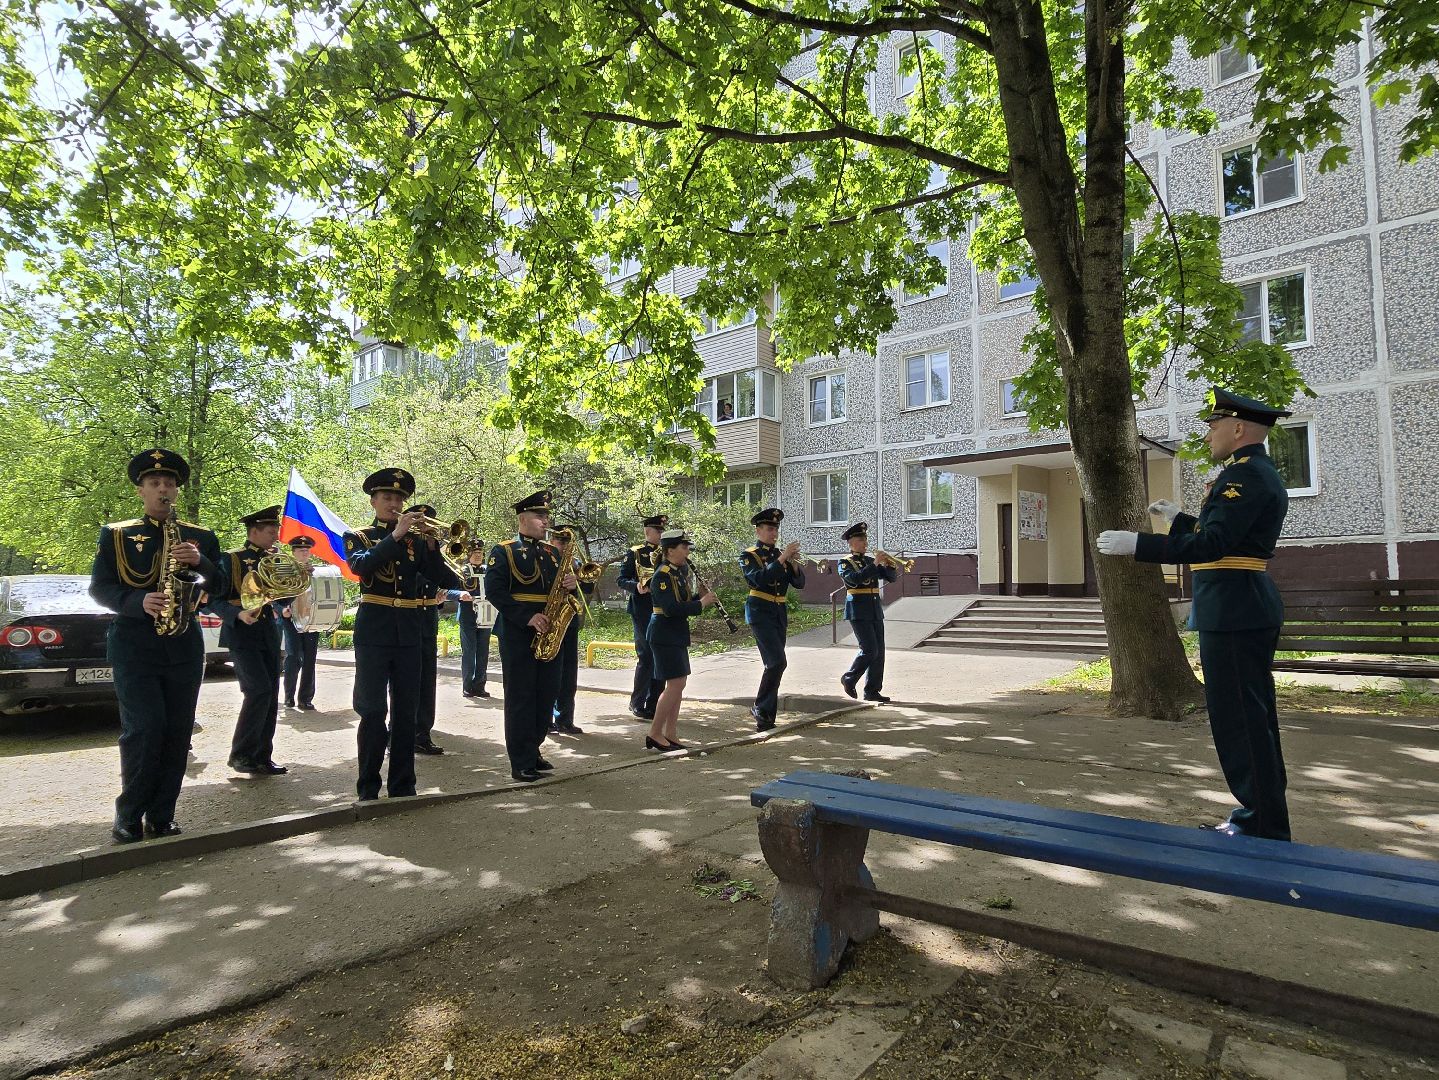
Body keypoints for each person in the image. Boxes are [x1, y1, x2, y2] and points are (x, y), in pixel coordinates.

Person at [1097, 388, 1293, 841]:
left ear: (1238, 428)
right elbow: (1222, 533)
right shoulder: (1249, 473)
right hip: (1238, 606)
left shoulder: (1245, 476)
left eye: (1214, 426)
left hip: (1234, 610)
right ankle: (1261, 817)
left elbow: (1214, 545)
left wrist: (1140, 544)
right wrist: (1181, 519)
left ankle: (1260, 825)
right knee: (1248, 719)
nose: (1208, 435)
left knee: (1241, 721)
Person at [90, 448, 225, 844]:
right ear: (141, 490)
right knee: (144, 729)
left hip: (183, 644)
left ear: (177, 491)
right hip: (135, 645)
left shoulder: (201, 537)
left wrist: (200, 562)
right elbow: (99, 588)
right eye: (155, 483)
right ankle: (129, 814)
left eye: (169, 484)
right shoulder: (117, 534)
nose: (163, 489)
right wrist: (137, 601)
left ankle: (162, 815)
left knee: (178, 732)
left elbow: (221, 588)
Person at [344, 468, 451, 801]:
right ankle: (368, 787)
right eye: (387, 497)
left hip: (409, 632)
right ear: (373, 502)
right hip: (374, 632)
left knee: (406, 712)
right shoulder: (358, 536)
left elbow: (441, 577)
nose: (394, 504)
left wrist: (432, 546)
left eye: (399, 499)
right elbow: (360, 566)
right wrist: (396, 536)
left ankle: (403, 786)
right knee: (373, 710)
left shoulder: (416, 542)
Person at [484, 490, 579, 782]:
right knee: (521, 696)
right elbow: (495, 591)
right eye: (540, 516)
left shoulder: (552, 553)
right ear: (523, 518)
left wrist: (572, 584)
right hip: (517, 632)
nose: (545, 521)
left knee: (546, 693)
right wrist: (528, 617)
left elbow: (560, 591)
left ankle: (534, 749)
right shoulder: (504, 550)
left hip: (551, 629)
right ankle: (520, 761)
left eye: (546, 516)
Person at [211, 505, 288, 776]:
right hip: (241, 633)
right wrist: (237, 614)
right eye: (271, 531)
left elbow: (284, 598)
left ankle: (262, 756)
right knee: (258, 690)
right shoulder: (231, 559)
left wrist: (296, 575)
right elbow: (213, 600)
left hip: (267, 632)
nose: (275, 536)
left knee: (271, 693)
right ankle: (241, 754)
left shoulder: (274, 559)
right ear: (254, 531)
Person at [645, 529, 718, 751]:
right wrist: (702, 603)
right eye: (683, 547)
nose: (687, 551)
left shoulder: (678, 572)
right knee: (675, 684)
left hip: (676, 633)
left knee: (679, 684)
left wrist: (699, 596)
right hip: (664, 634)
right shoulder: (662, 575)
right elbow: (670, 608)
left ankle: (670, 732)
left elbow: (683, 601)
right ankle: (654, 733)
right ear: (670, 550)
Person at [741, 507, 805, 732]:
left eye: (776, 529)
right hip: (760, 611)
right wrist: (783, 557)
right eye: (769, 529)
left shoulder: (780, 555)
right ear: (758, 531)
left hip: (779, 611)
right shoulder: (749, 555)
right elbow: (758, 579)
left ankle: (765, 714)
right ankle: (761, 708)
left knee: (775, 663)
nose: (774, 533)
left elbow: (799, 584)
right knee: (777, 662)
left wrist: (794, 564)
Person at [408, 502, 462, 756]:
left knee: (427, 678)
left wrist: (433, 547)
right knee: (405, 678)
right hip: (407, 614)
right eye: (420, 522)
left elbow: (450, 580)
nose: (424, 527)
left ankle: (422, 733)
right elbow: (410, 577)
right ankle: (398, 731)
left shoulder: (431, 549)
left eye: (427, 522)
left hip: (427, 616)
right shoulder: (404, 546)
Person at [837, 522, 899, 703]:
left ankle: (872, 690)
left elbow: (891, 578)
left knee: (879, 653)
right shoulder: (845, 562)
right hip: (858, 609)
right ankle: (849, 678)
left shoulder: (868, 561)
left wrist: (890, 565)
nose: (865, 543)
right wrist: (876, 563)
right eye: (860, 539)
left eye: (865, 539)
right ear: (851, 543)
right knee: (869, 650)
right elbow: (854, 579)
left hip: (874, 609)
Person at [617, 512, 667, 720]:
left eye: (663, 530)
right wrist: (636, 587)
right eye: (658, 530)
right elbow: (621, 579)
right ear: (648, 532)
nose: (662, 534)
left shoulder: (668, 553)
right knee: (646, 656)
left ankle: (655, 703)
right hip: (642, 610)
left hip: (663, 609)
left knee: (660, 657)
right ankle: (637, 702)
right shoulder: (636, 552)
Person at [549, 524, 597, 737]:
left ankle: (565, 719)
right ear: (552, 541)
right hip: (550, 620)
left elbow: (588, 588)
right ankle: (546, 720)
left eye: (567, 542)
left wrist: (577, 578)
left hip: (569, 621)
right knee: (550, 673)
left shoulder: (575, 563)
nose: (564, 546)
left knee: (569, 673)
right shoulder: (544, 560)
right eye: (560, 541)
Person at [278, 536, 320, 711]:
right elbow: (274, 597)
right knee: (293, 656)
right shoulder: (284, 572)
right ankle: (289, 696)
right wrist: (282, 609)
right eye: (301, 550)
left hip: (312, 620)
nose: (305, 552)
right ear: (293, 552)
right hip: (292, 620)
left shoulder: (316, 574)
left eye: (307, 550)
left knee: (310, 660)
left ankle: (305, 698)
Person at [456, 538, 493, 699]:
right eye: (474, 552)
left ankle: (480, 685)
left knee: (483, 651)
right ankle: (467, 686)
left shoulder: (488, 570)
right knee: (469, 651)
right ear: (469, 554)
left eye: (480, 552)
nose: (478, 555)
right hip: (468, 614)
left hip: (486, 612)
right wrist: (461, 595)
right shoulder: (462, 571)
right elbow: (453, 590)